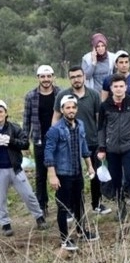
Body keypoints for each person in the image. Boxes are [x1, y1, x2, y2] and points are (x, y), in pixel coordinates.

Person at [53, 65, 108, 216]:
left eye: (78, 76)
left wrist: (102, 140)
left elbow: (99, 120)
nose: (76, 79)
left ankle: (96, 204)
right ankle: (70, 207)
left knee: (95, 173)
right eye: (72, 77)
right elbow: (56, 117)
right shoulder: (63, 96)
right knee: (71, 176)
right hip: (69, 143)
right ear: (69, 79)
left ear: (84, 76)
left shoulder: (94, 95)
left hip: (92, 140)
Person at [44, 95, 94, 250]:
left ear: (76, 109)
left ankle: (80, 231)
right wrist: (52, 175)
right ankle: (65, 239)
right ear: (62, 109)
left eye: (73, 107)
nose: (71, 110)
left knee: (79, 203)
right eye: (68, 107)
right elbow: (49, 153)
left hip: (77, 173)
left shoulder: (80, 125)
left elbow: (84, 148)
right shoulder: (55, 130)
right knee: (63, 207)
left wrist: (90, 166)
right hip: (63, 174)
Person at [97, 73, 130, 222]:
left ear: (126, 87)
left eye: (121, 86)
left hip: (129, 146)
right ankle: (121, 208)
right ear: (111, 88)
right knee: (116, 180)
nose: (118, 89)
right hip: (111, 149)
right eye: (115, 86)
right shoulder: (105, 106)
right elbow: (101, 129)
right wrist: (102, 148)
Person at [0, 99, 47, 237]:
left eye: (1, 111)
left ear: (6, 113)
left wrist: (10, 141)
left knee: (29, 195)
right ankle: (5, 224)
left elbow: (25, 143)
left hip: (16, 169)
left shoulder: (14, 128)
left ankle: (39, 217)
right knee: (0, 199)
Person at [25, 64, 60, 218]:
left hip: (58, 140)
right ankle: (42, 205)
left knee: (60, 172)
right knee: (41, 175)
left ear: (53, 77)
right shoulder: (31, 96)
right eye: (42, 76)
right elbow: (26, 121)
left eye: (48, 76)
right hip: (39, 140)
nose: (46, 79)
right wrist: (25, 141)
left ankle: (62, 204)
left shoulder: (61, 93)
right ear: (38, 78)